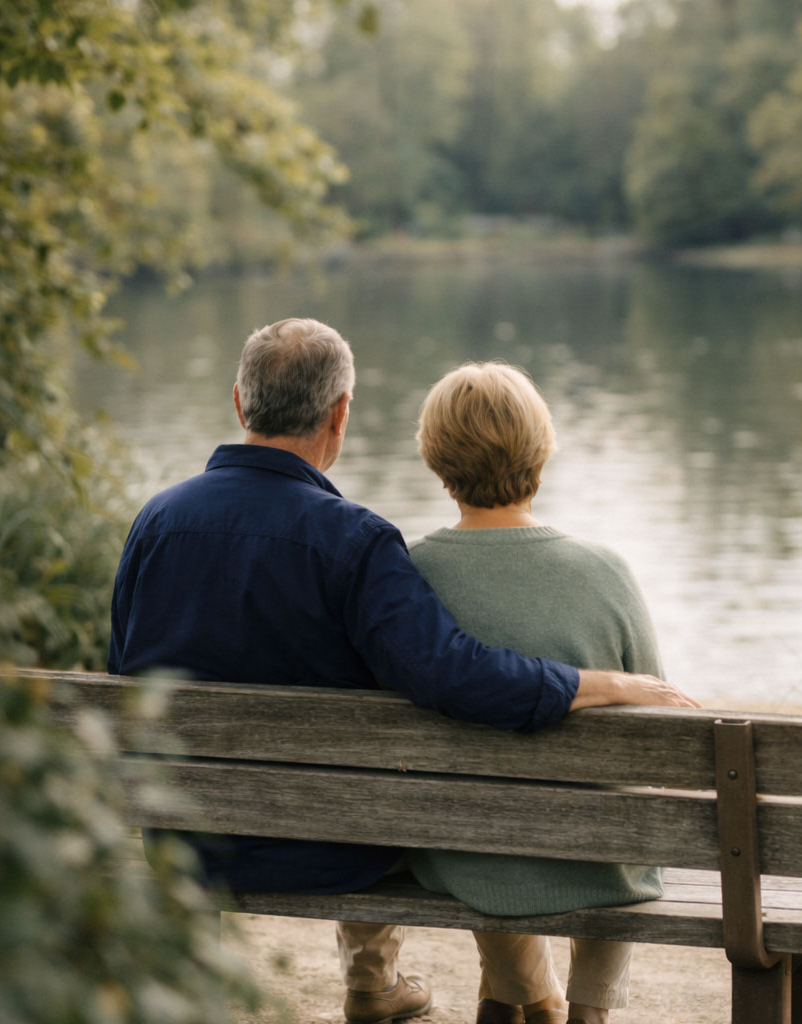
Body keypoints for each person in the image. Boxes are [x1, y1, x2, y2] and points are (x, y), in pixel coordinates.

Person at [108, 318, 699, 1024]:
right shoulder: (354, 544)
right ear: (340, 413)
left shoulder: (155, 523)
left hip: (181, 838)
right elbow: (450, 676)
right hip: (327, 851)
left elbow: (123, 668)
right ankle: (464, 989)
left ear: (239, 403)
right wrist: (589, 681)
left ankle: (389, 984)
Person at [406, 362, 687, 1024]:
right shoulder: (604, 572)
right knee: (616, 813)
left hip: (467, 852)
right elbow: (653, 714)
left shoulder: (409, 574)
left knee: (481, 817)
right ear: (542, 448)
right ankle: (588, 1006)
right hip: (604, 859)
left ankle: (514, 992)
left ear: (435, 459)